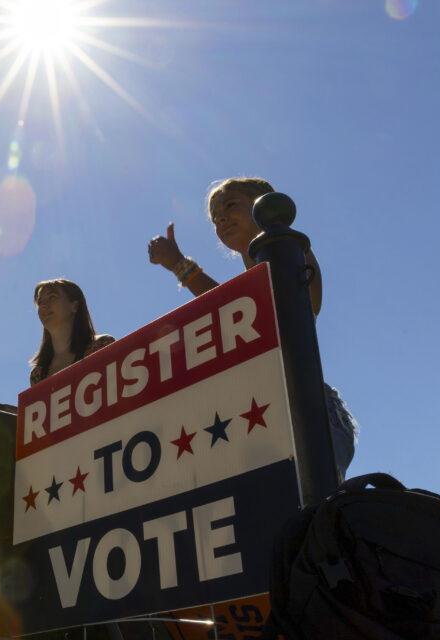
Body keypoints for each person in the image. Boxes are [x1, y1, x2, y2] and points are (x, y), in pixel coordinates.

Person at [146, 177, 357, 477]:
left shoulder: (292, 248)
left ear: (264, 203)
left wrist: (179, 264)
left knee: (309, 507)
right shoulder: (252, 280)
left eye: (230, 205)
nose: (220, 218)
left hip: (308, 409)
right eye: (215, 217)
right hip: (263, 410)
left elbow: (238, 311)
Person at [29, 279, 115, 386]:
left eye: (52, 297)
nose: (43, 306)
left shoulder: (101, 346)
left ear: (74, 306)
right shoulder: (38, 374)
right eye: (40, 302)